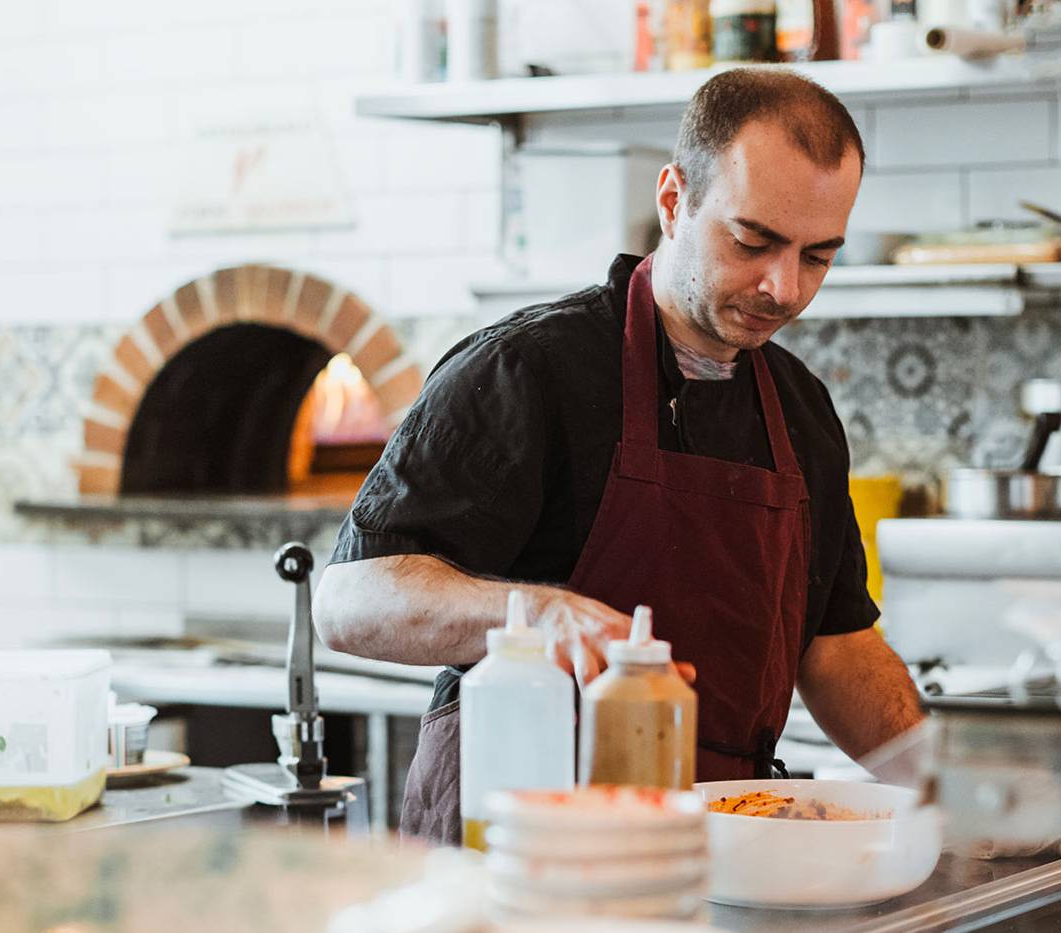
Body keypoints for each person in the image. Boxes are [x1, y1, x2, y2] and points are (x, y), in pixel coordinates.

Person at [313, 68, 924, 845]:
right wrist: (533, 612)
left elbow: (835, 647)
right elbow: (348, 602)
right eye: (753, 241)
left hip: (711, 854)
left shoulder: (800, 409)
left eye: (818, 257)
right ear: (673, 201)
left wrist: (947, 787)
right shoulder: (528, 369)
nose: (783, 286)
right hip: (511, 851)